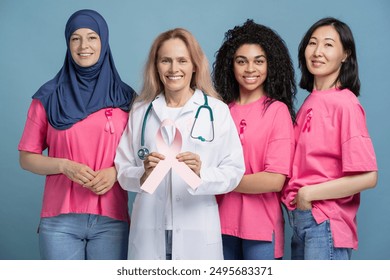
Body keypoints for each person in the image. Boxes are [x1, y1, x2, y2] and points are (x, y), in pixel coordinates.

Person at [114, 27, 245, 260]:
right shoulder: (141, 111)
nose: (174, 69)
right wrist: (142, 175)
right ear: (156, 66)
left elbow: (234, 170)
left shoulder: (216, 110)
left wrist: (201, 173)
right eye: (166, 61)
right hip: (149, 229)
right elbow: (123, 169)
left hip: (197, 229)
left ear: (194, 65)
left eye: (182, 60)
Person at [18, 9, 135, 260]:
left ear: (103, 42)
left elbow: (140, 155)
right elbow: (26, 157)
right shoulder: (47, 97)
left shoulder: (126, 98)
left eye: (92, 37)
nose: (84, 46)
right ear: (68, 43)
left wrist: (115, 172)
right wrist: (63, 165)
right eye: (76, 38)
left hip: (112, 219)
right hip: (59, 221)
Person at [281, 17, 378, 260]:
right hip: (301, 220)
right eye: (312, 43)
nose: (317, 51)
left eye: (328, 44)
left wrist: (308, 194)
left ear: (345, 54)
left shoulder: (345, 103)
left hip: (324, 221)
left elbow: (368, 177)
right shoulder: (309, 102)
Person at [212, 19, 296, 260]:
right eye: (242, 61)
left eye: (259, 61)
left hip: (261, 228)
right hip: (218, 225)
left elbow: (274, 180)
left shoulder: (276, 111)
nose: (250, 69)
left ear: (270, 65)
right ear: (231, 66)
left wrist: (219, 180)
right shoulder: (220, 111)